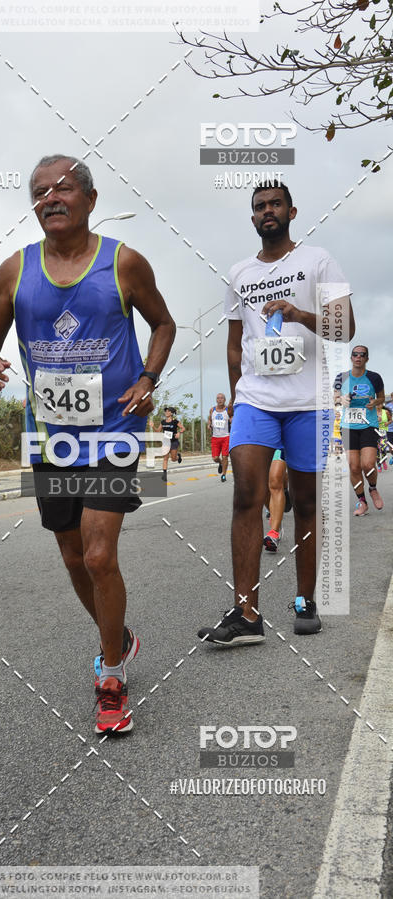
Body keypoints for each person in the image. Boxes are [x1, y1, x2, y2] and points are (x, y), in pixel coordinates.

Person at [0, 154, 176, 734]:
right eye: (40, 192)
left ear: (90, 199)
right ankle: (121, 636)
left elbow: (164, 324)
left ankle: (110, 675)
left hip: (115, 431)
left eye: (63, 188)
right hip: (50, 439)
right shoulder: (13, 271)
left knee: (98, 554)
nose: (51, 198)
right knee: (69, 556)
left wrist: (147, 378)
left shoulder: (125, 262)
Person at [197, 181, 355, 645]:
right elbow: (233, 347)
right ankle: (247, 615)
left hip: (308, 401)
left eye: (275, 204)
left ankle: (305, 600)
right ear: (252, 218)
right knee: (247, 495)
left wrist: (301, 315)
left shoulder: (319, 260)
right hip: (256, 399)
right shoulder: (238, 273)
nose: (268, 211)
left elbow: (347, 326)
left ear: (292, 211)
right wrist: (238, 397)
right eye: (260, 206)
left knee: (305, 501)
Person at [334, 347, 385, 515]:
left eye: (362, 355)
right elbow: (334, 397)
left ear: (367, 359)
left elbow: (382, 398)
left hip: (368, 424)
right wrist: (341, 398)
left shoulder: (374, 377)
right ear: (351, 357)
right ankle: (362, 502)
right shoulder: (342, 377)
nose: (358, 357)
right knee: (354, 466)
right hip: (348, 426)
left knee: (368, 464)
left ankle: (373, 488)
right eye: (355, 354)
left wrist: (374, 402)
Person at [263, 449, 289, 552]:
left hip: (279, 442)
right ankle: (277, 515)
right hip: (260, 441)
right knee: (263, 487)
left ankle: (274, 533)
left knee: (275, 481)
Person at [154, 406, 184, 480]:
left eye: (168, 411)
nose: (166, 412)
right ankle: (164, 475)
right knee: (165, 458)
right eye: (165, 411)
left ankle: (178, 456)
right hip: (166, 442)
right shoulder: (163, 422)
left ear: (172, 413)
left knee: (173, 459)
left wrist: (179, 433)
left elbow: (183, 428)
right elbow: (158, 430)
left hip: (174, 442)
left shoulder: (175, 421)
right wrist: (153, 426)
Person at [208, 393, 231, 482]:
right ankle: (221, 463)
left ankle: (224, 475)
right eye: (218, 398)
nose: (220, 400)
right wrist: (209, 424)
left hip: (226, 437)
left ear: (224, 400)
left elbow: (232, 418)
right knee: (215, 458)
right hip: (215, 437)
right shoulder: (212, 410)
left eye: (221, 398)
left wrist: (232, 420)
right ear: (216, 400)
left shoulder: (228, 410)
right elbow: (210, 419)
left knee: (225, 456)